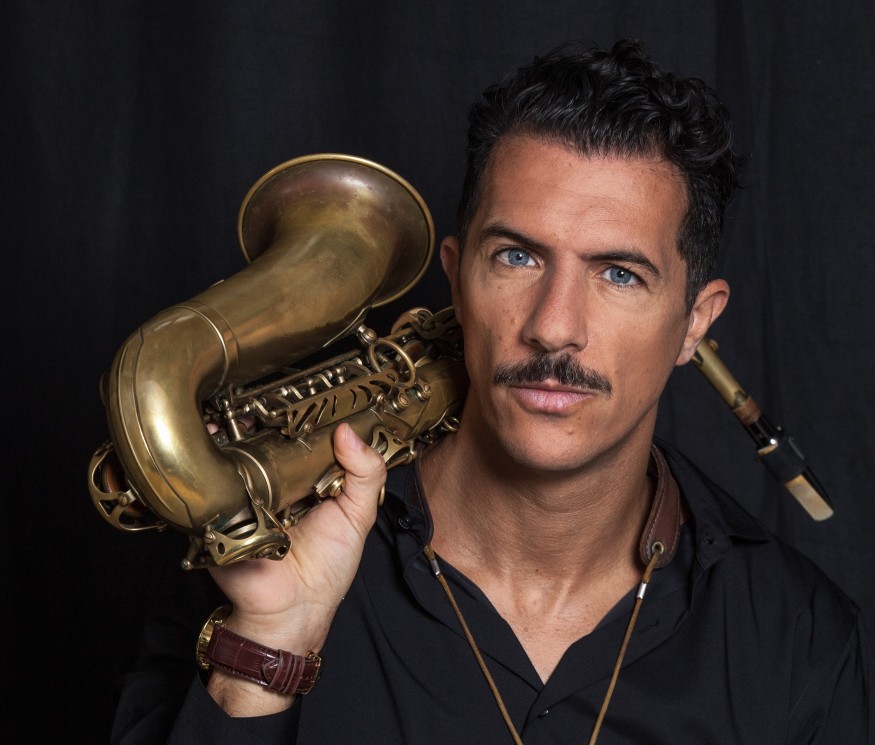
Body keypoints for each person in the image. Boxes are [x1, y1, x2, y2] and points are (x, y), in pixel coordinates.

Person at [111, 39, 871, 744]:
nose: (553, 327)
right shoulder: (259, 567)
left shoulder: (797, 635)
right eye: (516, 257)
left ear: (693, 324)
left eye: (618, 274)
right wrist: (268, 648)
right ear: (456, 276)